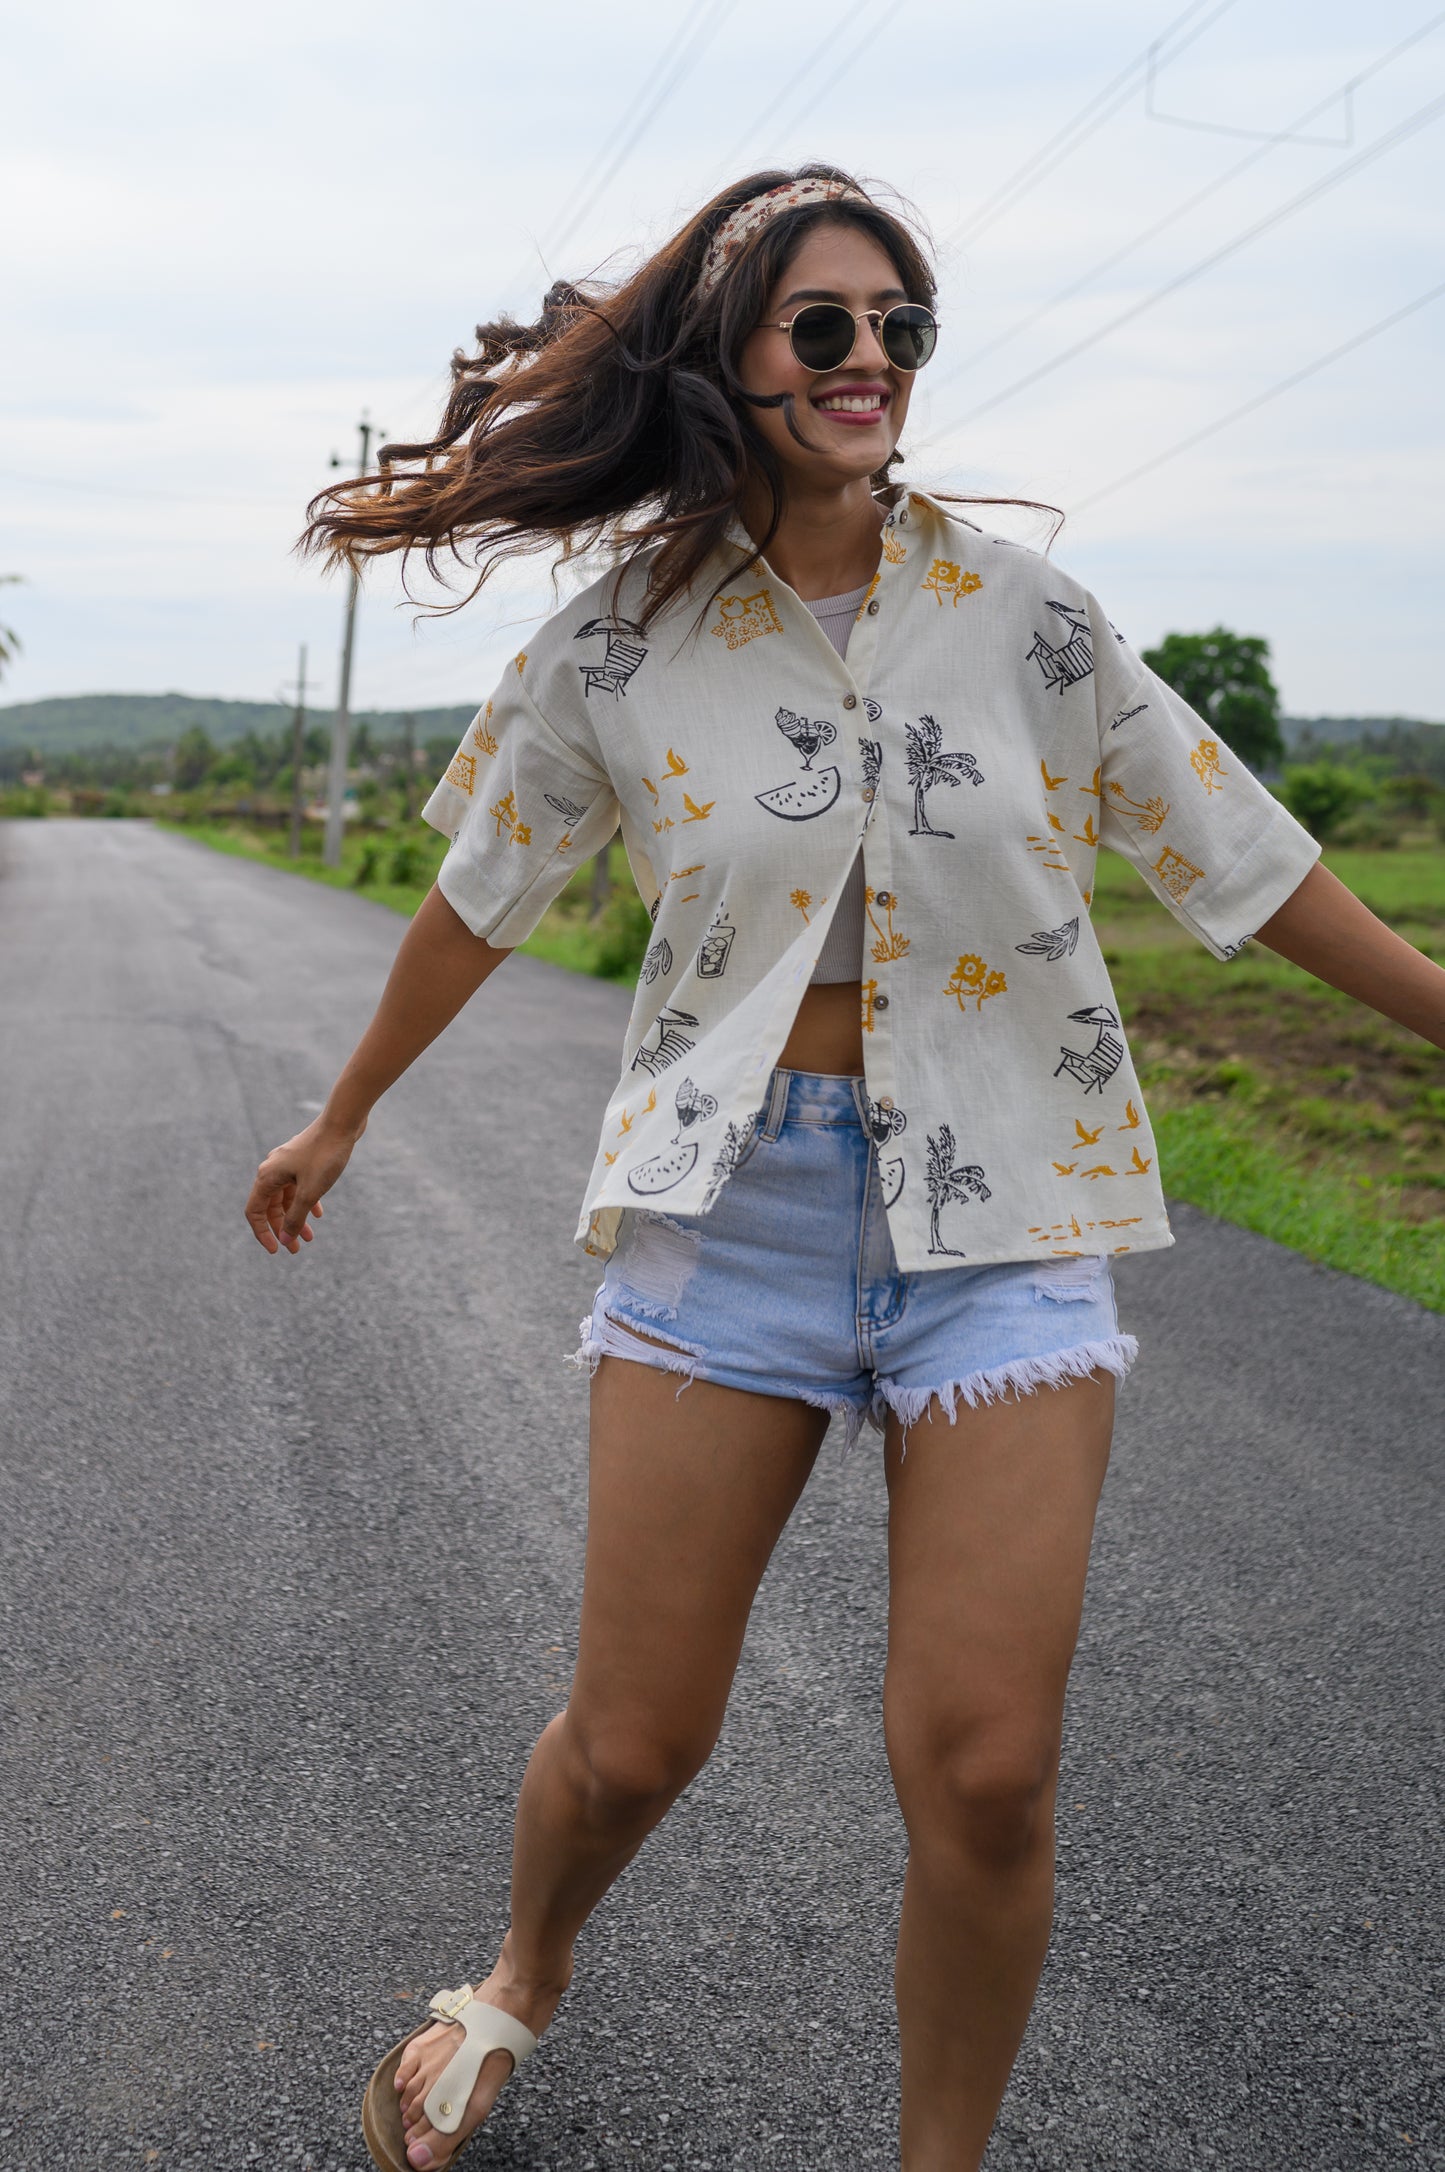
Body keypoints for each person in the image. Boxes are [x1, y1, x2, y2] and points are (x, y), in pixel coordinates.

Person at [244, 164, 1445, 2172]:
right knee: (635, 1745)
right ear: (734, 357)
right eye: (827, 326)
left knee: (986, 1776)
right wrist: (348, 1103)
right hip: (742, 1206)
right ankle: (522, 1971)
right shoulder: (624, 648)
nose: (872, 356)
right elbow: (482, 894)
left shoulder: (1030, 623)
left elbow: (1239, 857)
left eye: (901, 325)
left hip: (1012, 1204)